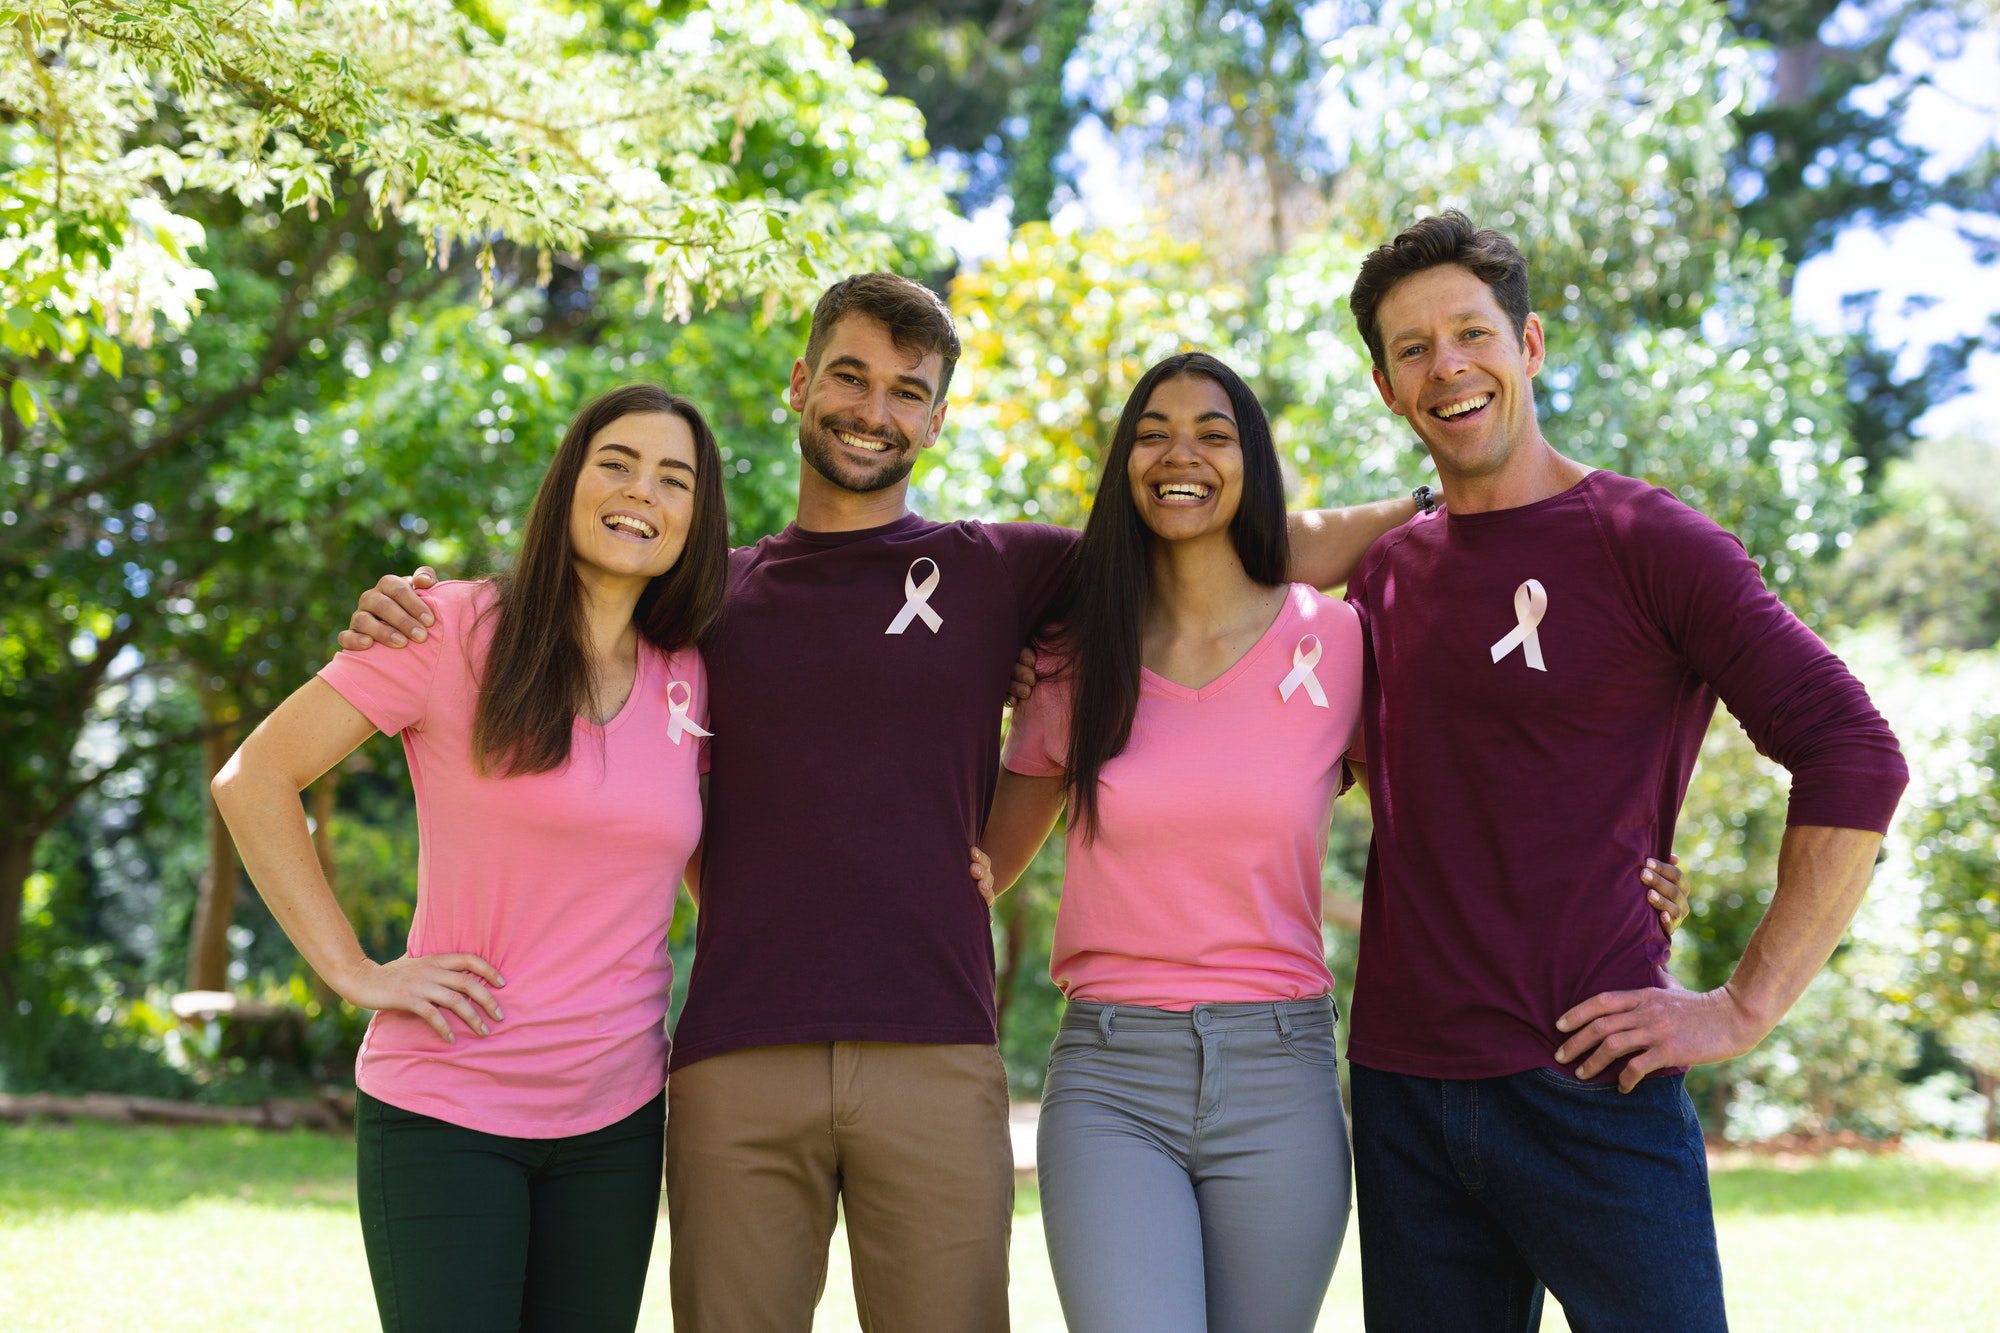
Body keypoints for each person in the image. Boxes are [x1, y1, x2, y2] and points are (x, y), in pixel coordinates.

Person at [334, 273, 1418, 1332]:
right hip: (737, 1059)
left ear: (936, 420)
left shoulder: (996, 569)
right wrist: (415, 610)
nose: (872, 410)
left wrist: (1418, 505)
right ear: (799, 384)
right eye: (849, 377)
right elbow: (577, 623)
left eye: (906, 390)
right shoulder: (707, 597)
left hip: (933, 1052)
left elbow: (1213, 547)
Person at [974, 353, 1690, 1333]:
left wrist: (1619, 868)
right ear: (1123, 464)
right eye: (1152, 432)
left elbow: (1470, 790)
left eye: (1212, 432)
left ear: (1251, 464)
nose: (1179, 453)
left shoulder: (1339, 641)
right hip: (1110, 1078)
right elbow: (982, 866)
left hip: (1281, 1076)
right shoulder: (1071, 655)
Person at [1339, 211, 1910, 1331]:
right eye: (1412, 349)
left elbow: (1852, 752)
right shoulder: (1383, 580)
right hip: (1402, 1088)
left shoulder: (1650, 542)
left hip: (1592, 1083)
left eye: (1471, 333)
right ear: (1385, 387)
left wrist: (1741, 1005)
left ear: (1530, 345)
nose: (1446, 365)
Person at [212, 385, 729, 1331]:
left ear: (699, 518)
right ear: (568, 479)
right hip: (447, 1108)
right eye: (616, 462)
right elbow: (254, 778)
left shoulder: (693, 671)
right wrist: (352, 969)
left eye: (674, 479)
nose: (641, 493)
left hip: (617, 1122)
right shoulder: (445, 626)